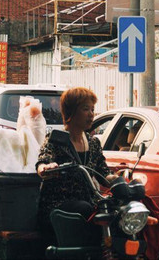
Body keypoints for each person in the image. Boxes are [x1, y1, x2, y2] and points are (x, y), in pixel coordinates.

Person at [36, 87, 116, 226]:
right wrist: (46, 168)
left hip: (88, 202)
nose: (91, 114)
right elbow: (43, 160)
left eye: (92, 109)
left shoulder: (93, 143)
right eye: (85, 109)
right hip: (59, 205)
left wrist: (118, 180)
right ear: (71, 112)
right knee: (85, 209)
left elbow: (103, 173)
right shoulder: (56, 139)